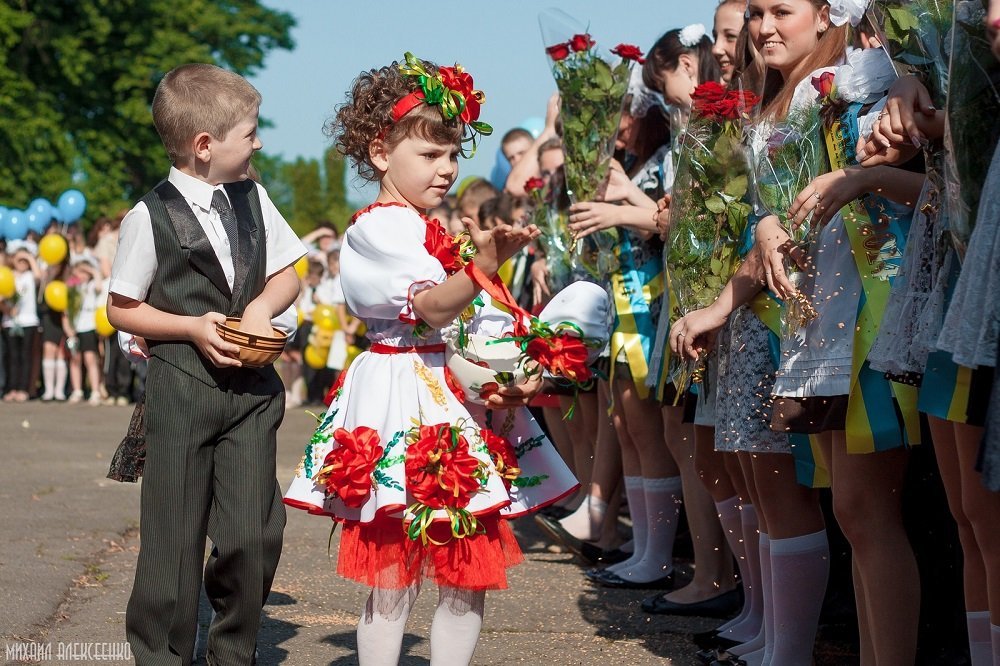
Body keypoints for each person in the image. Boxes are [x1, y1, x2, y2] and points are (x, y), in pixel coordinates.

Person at [282, 52, 581, 666]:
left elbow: (478, 320)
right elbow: (434, 308)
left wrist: (523, 365)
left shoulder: (430, 230)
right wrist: (481, 266)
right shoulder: (380, 228)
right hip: (403, 391)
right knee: (395, 571)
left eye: (452, 155)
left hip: (450, 393)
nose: (446, 169)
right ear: (378, 152)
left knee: (466, 567)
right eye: (429, 155)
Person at [107, 62, 305, 664]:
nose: (259, 141)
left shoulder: (254, 196)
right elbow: (122, 307)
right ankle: (161, 653)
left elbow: (288, 273)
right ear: (204, 145)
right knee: (172, 541)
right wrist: (190, 326)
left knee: (255, 534)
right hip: (182, 392)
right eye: (249, 131)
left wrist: (260, 309)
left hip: (251, 395)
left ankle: (231, 651)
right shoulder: (149, 215)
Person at [1, 246, 41, 402]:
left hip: (28, 321)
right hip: (10, 322)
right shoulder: (8, 275)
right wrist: (7, 310)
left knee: (25, 356)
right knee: (11, 356)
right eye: (19, 260)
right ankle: (11, 388)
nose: (22, 263)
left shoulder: (30, 276)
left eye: (25, 260)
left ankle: (23, 389)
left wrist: (29, 257)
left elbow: (39, 276)